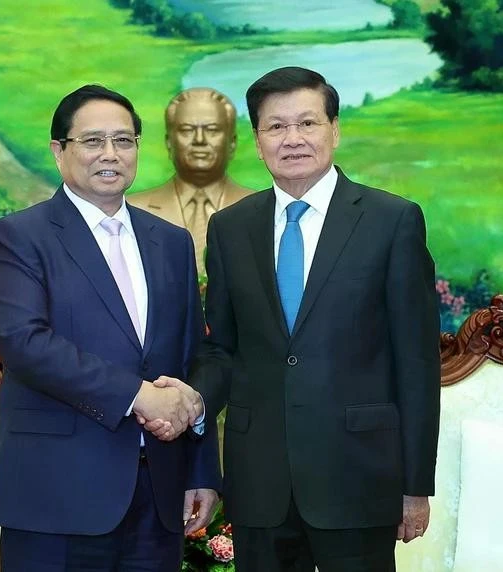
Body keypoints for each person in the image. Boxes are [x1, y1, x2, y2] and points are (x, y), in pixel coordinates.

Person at [156, 66, 441, 571]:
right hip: (259, 482)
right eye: (276, 127)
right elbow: (222, 347)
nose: (293, 140)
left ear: (334, 130)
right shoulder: (230, 228)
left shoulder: (391, 220)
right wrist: (195, 399)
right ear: (258, 140)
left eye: (307, 124)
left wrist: (415, 486)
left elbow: (416, 362)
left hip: (358, 479)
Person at [0, 84, 221, 572]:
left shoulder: (170, 242)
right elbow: (27, 344)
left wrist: (201, 470)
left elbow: (194, 356)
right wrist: (140, 396)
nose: (110, 154)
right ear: (59, 151)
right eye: (92, 141)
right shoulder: (18, 236)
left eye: (124, 141)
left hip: (159, 497)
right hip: (56, 498)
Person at [127, 87, 251, 274]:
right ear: (169, 143)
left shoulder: (261, 211)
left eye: (212, 130)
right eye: (187, 130)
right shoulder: (132, 210)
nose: (199, 140)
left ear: (232, 143)